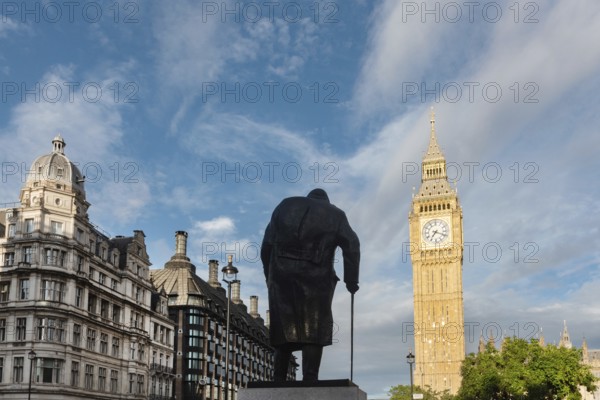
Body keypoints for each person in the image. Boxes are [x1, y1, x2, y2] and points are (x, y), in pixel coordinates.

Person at [261, 188, 360, 382]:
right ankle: (310, 378)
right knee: (314, 326)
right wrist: (351, 279)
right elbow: (352, 245)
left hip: (281, 274)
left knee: (283, 326)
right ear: (326, 200)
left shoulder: (284, 205)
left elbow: (266, 246)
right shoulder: (336, 214)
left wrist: (269, 277)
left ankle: (278, 378)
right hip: (316, 276)